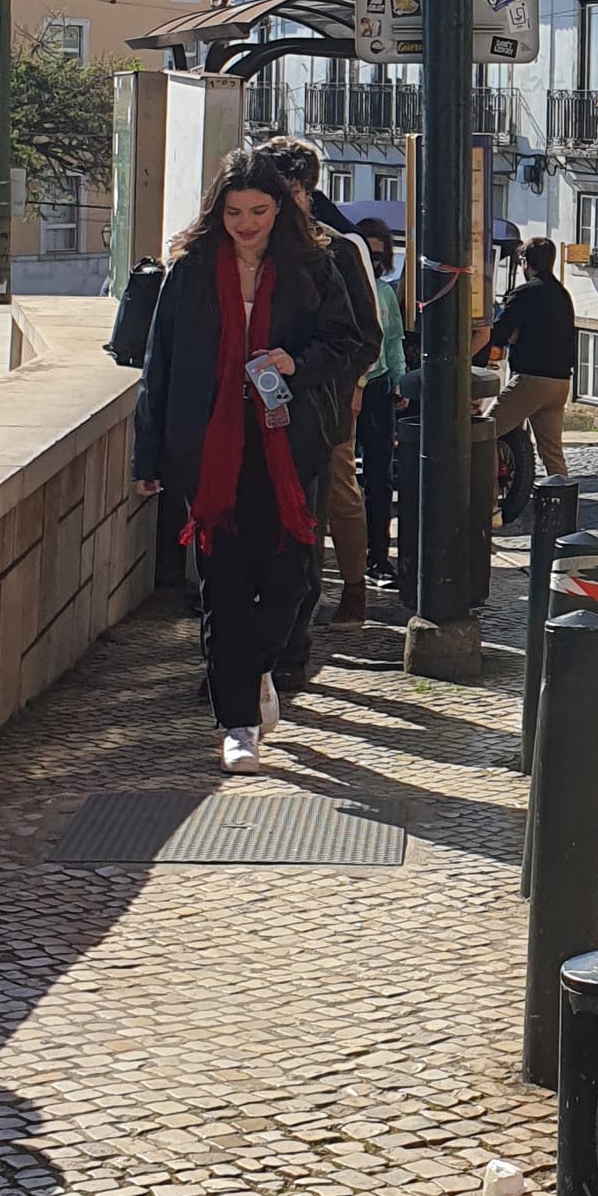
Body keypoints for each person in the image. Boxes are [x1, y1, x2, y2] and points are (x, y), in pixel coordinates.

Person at [132, 149, 371, 770]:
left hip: (288, 448)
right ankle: (236, 723)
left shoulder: (314, 264)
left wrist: (295, 362)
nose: (245, 223)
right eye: (234, 211)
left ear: (279, 211)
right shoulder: (188, 271)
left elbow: (347, 342)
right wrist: (146, 456)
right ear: (218, 212)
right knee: (224, 589)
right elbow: (159, 365)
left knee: (291, 582)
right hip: (206, 451)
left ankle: (258, 670)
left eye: (258, 211)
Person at [264, 141, 380, 631]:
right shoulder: (247, 243)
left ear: (304, 192)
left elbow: (366, 337)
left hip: (325, 403)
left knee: (335, 493)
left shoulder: (340, 248)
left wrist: (344, 385)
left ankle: (352, 589)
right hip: (266, 402)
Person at [487, 237, 578, 476]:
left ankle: (485, 497)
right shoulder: (562, 294)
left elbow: (498, 332)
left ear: (525, 263)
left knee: (483, 432)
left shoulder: (525, 293)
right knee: (552, 453)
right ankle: (562, 508)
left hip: (532, 380)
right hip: (560, 382)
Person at [353, 219, 407, 580]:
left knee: (380, 476)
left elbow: (393, 343)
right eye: (367, 255)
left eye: (379, 256)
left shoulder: (386, 294)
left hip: (379, 388)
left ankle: (379, 555)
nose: (373, 262)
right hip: (346, 388)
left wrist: (399, 384)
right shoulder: (343, 290)